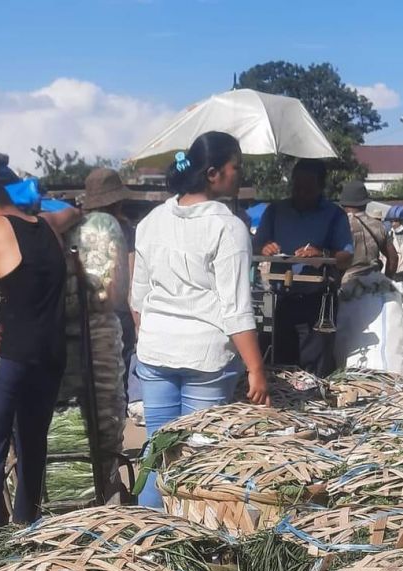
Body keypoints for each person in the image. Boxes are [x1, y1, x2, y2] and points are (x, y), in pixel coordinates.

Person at [131, 132, 269, 508]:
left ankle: (151, 545)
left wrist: (158, 335)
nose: (239, 175)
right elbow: (236, 308)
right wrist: (256, 369)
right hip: (205, 358)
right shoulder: (228, 227)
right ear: (213, 173)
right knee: (199, 463)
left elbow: (137, 301)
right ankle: (190, 554)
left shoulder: (151, 221)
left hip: (155, 352)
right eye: (235, 168)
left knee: (157, 452)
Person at [0, 181, 82, 528]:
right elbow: (68, 215)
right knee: (32, 441)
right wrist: (78, 210)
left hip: (8, 350)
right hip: (50, 353)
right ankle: (27, 523)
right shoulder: (47, 224)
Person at [253, 159, 353, 374]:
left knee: (315, 366)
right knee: (279, 364)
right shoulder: (276, 211)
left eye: (308, 188)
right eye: (297, 187)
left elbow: (346, 257)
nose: (301, 193)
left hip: (317, 302)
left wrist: (322, 254)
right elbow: (256, 244)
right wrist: (265, 248)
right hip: (280, 300)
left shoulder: (334, 215)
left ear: (321, 187)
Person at [83, 168, 138, 400]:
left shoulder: (80, 229)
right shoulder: (125, 230)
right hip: (118, 311)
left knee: (94, 376)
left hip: (88, 312)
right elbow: (133, 272)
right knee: (118, 374)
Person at [339, 181, 397, 280]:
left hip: (347, 285)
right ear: (365, 204)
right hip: (374, 283)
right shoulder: (379, 226)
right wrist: (387, 281)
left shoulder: (340, 226)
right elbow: (393, 259)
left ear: (343, 205)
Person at [384, 205, 403, 283]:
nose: (392, 224)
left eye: (395, 221)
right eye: (391, 221)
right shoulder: (388, 236)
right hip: (392, 277)